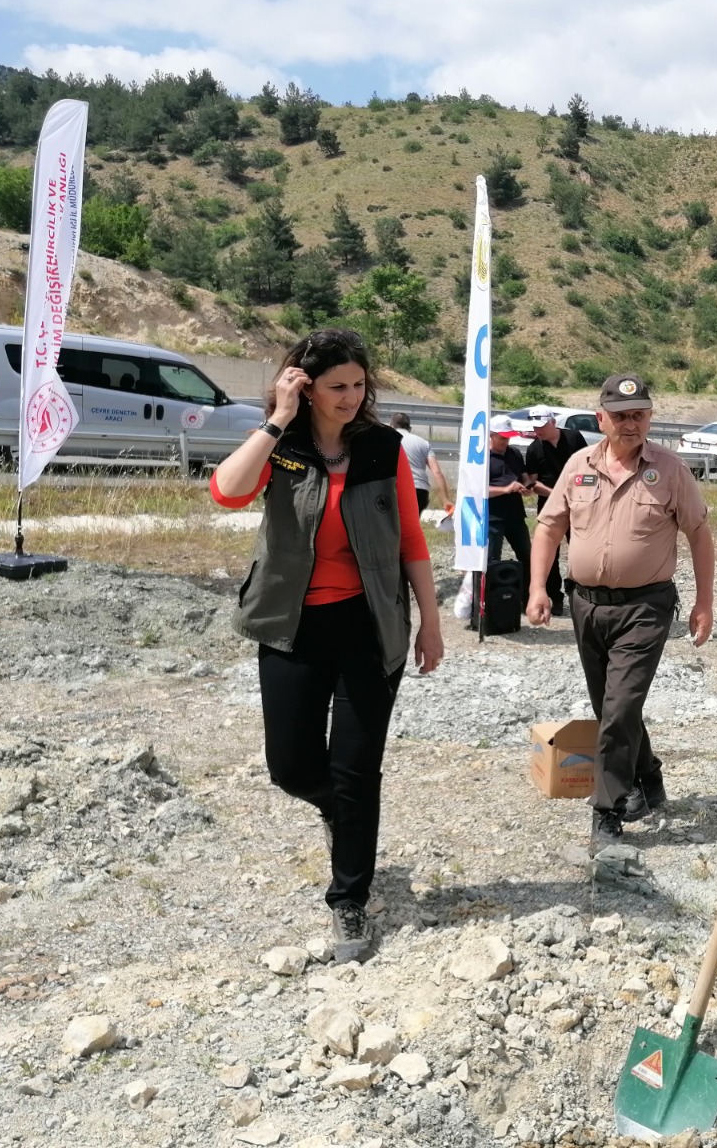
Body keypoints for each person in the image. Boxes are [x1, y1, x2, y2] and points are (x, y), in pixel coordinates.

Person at [210, 329, 443, 964]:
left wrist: (430, 620)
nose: (350, 397)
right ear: (305, 386)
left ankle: (349, 898)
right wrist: (277, 420)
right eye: (336, 387)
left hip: (370, 625)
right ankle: (340, 814)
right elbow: (227, 491)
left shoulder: (383, 448)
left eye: (359, 385)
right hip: (293, 625)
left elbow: (409, 542)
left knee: (357, 767)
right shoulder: (281, 445)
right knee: (290, 766)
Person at [527, 374, 715, 844]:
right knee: (612, 708)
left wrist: (705, 602)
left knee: (620, 707)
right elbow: (549, 529)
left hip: (646, 607)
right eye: (621, 415)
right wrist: (537, 589)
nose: (631, 424)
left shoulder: (671, 470)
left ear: (650, 417)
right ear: (601, 418)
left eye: (640, 415)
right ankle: (648, 778)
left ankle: (607, 810)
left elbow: (699, 534)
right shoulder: (577, 464)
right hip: (587, 605)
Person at [524, 407, 588, 617]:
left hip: (579, 502)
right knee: (550, 551)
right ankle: (555, 595)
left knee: (580, 546)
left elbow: (588, 465)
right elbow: (532, 482)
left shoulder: (573, 437)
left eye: (542, 426)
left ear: (552, 422)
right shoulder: (534, 448)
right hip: (550, 503)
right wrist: (558, 494)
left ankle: (579, 590)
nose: (538, 431)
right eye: (535, 427)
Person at [487, 413, 534, 604]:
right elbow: (478, 490)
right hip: (493, 516)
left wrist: (527, 486)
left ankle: (526, 599)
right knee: (492, 560)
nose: (505, 442)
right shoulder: (483, 458)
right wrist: (506, 489)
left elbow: (524, 476)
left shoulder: (513, 453)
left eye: (508, 438)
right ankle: (492, 602)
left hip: (515, 514)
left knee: (527, 556)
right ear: (491, 435)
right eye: (501, 438)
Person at [390, 412, 450, 513]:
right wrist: (445, 500)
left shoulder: (388, 440)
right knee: (412, 526)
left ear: (391, 427)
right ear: (410, 429)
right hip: (420, 491)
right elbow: (437, 472)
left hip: (397, 490)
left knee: (394, 526)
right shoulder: (423, 443)